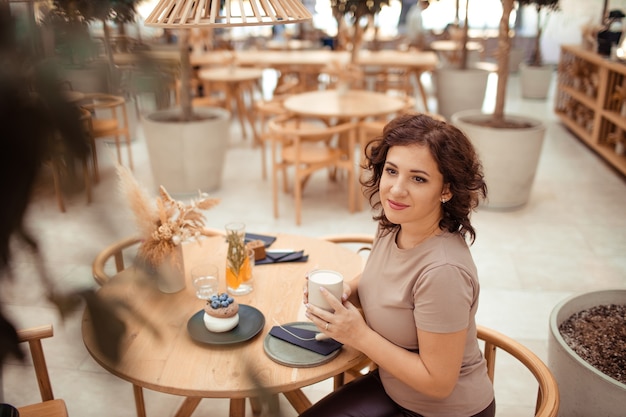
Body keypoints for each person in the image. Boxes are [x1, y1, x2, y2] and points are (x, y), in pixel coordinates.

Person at [302, 113, 494, 417]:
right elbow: (383, 278)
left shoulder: (443, 272)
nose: (396, 189)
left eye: (418, 178)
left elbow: (439, 383)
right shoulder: (396, 223)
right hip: (394, 387)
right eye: (392, 171)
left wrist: (359, 335)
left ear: (446, 190)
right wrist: (341, 292)